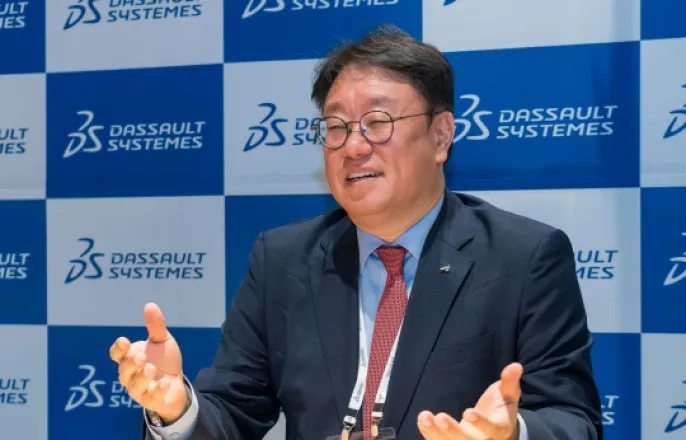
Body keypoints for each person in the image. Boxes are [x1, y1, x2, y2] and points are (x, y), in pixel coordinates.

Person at [109, 25, 603, 440]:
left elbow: (572, 420)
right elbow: (232, 412)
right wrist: (177, 410)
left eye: (377, 122)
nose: (353, 146)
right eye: (336, 126)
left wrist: (512, 435)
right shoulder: (282, 259)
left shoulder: (523, 257)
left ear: (441, 136)